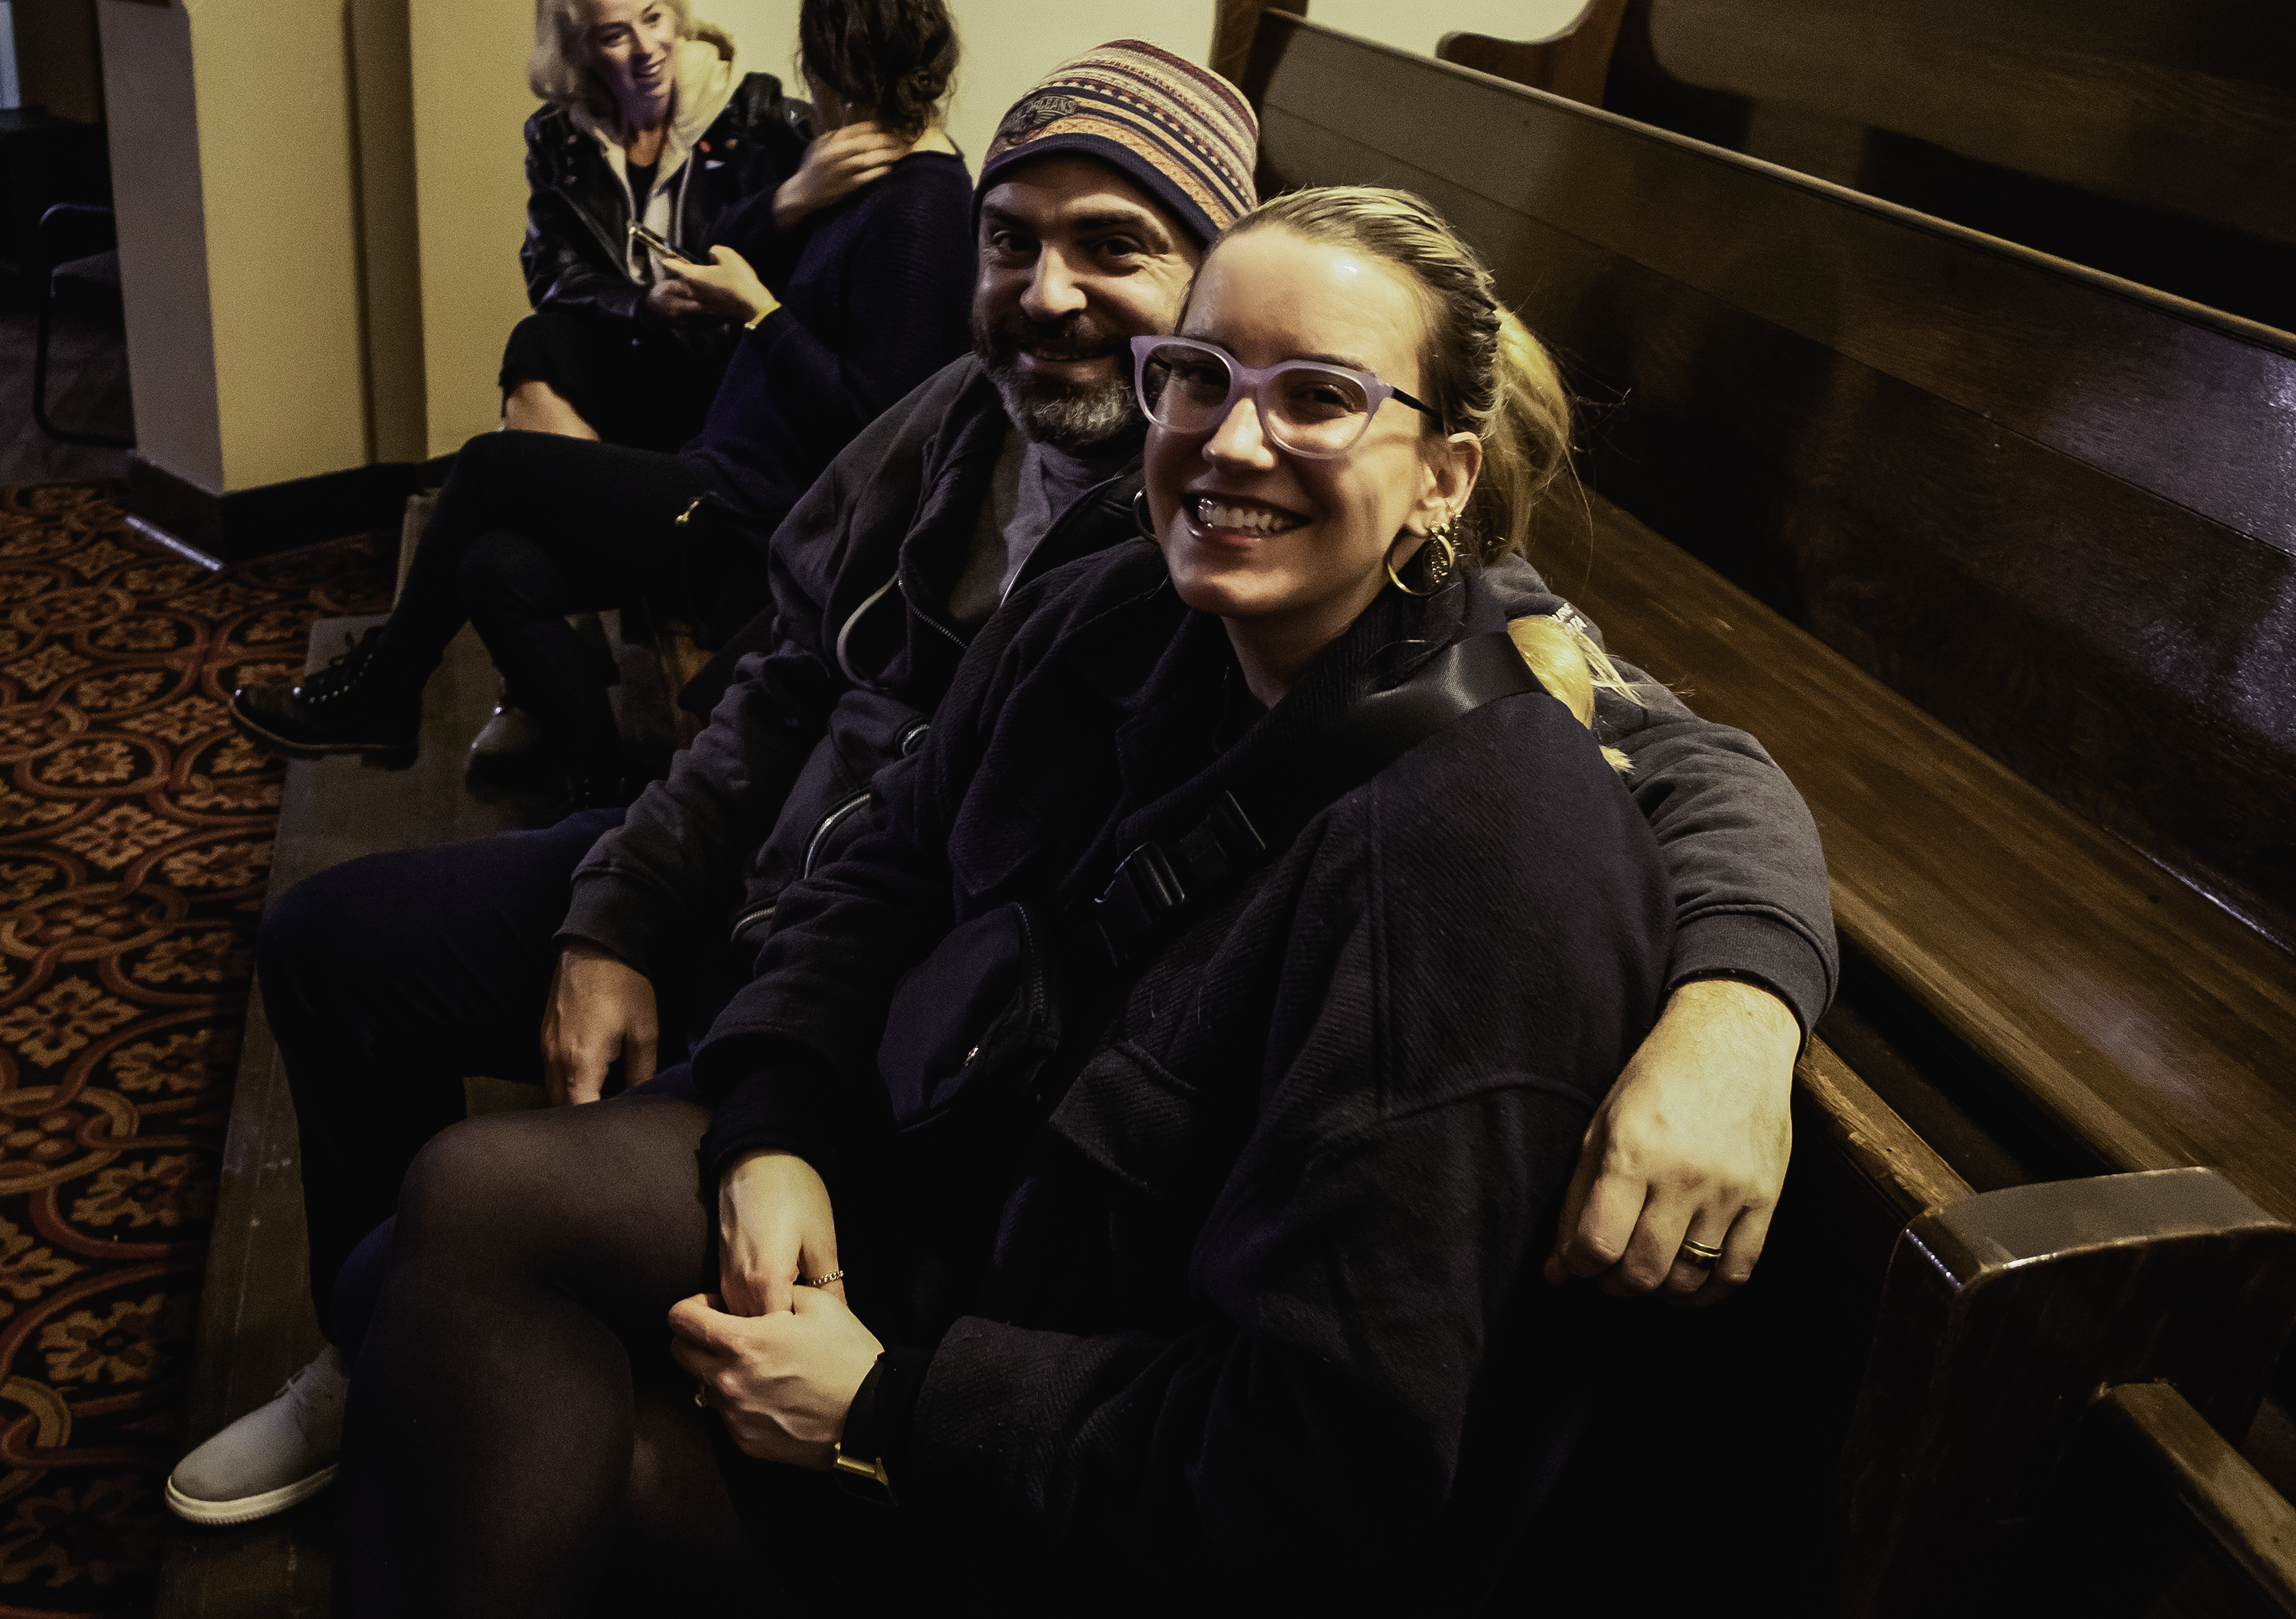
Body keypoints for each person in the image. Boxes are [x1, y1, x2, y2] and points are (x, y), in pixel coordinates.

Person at [165, 42, 1825, 1533]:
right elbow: (787, 693)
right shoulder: (974, 446)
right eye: (1011, 238)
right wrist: (633, 931)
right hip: (829, 958)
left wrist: (1743, 1005)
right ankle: (367, 1353)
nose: (1047, 295)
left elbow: (1680, 765)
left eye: (1116, 246)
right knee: (346, 972)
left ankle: (389, 1345)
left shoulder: (1407, 653)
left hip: (944, 1054)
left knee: (462, 1275)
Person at [223, 0, 971, 800]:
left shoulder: (921, 209)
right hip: (719, 476)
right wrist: (791, 200)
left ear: (831, 78)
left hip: (760, 520)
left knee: (486, 467)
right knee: (491, 565)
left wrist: (762, 314)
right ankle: (602, 789)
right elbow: (711, 257)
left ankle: (385, 689)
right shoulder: (858, 173)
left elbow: (876, 428)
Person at [503, 0, 812, 452]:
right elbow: (552, 275)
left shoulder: (756, 115)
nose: (646, 48)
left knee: (492, 477)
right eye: (615, 35)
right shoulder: (559, 136)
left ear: (677, 18)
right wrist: (644, 306)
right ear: (581, 49)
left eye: (653, 18)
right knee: (539, 341)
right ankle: (572, 500)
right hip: (630, 364)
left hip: (726, 374)